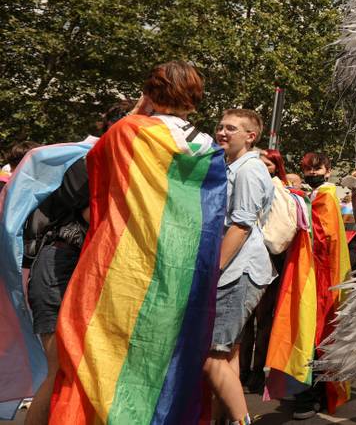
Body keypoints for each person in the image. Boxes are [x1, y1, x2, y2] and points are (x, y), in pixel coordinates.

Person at [51, 61, 228, 423]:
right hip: (181, 274)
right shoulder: (208, 147)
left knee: (101, 354)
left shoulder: (129, 130)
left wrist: (136, 110)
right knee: (162, 356)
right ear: (195, 98)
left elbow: (91, 170)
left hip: (124, 266)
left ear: (150, 92)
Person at [23, 103, 131, 425]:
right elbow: (92, 215)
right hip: (60, 266)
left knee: (83, 371)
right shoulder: (86, 164)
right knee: (60, 369)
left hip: (86, 271)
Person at [204, 108, 275, 424]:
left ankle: (241, 419)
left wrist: (213, 269)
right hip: (235, 271)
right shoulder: (233, 166)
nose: (222, 132)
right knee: (226, 354)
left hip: (238, 272)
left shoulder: (248, 170)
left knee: (211, 357)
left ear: (250, 136)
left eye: (231, 128)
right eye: (220, 126)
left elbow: (241, 225)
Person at [294, 152, 351, 420]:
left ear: (328, 171)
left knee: (317, 333)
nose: (312, 173)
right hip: (317, 275)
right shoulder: (318, 195)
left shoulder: (325, 197)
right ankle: (314, 391)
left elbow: (323, 239)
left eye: (317, 169)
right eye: (308, 169)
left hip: (322, 276)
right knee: (314, 332)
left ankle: (315, 393)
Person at [239, 147, 290, 393]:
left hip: (268, 260)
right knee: (244, 322)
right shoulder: (247, 182)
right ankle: (242, 372)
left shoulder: (279, 190)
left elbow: (281, 233)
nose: (263, 168)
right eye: (259, 163)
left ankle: (257, 373)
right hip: (244, 258)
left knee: (263, 321)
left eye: (268, 164)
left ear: (276, 168)